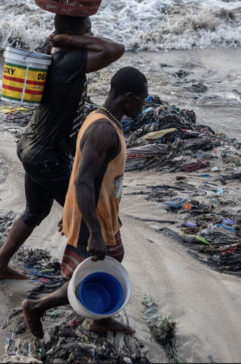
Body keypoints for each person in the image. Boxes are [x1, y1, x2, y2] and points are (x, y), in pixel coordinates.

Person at [0, 2, 125, 280]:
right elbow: (115, 49)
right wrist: (74, 40)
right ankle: (86, 293)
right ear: (70, 34)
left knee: (36, 210)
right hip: (45, 155)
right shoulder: (69, 61)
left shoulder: (51, 53)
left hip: (31, 145)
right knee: (88, 221)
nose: (91, 36)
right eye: (87, 32)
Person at [23, 67, 148, 338]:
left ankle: (100, 320)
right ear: (128, 97)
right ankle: (36, 306)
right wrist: (90, 230)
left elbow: (80, 172)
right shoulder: (103, 130)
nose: (144, 104)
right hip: (94, 220)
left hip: (103, 213)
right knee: (82, 276)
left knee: (114, 258)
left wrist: (73, 210)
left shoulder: (101, 118)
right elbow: (82, 180)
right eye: (142, 99)